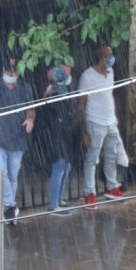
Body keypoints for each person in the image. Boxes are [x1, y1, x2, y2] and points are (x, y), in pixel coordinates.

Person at [0, 57, 36, 224]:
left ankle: (8, 211)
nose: (11, 74)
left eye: (14, 72)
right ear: (3, 69)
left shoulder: (25, 88)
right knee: (0, 174)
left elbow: (31, 109)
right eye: (9, 71)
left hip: (18, 139)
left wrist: (30, 119)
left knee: (12, 176)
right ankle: (10, 205)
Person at [78, 44, 127, 208]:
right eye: (109, 56)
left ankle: (111, 187)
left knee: (112, 155)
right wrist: (84, 131)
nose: (112, 59)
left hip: (111, 122)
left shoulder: (111, 72)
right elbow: (81, 104)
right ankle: (89, 193)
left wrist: (115, 118)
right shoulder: (87, 76)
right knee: (92, 159)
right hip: (95, 122)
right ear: (102, 58)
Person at [39, 65, 78, 216]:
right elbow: (53, 120)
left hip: (64, 136)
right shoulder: (52, 95)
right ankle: (53, 205)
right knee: (59, 167)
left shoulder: (62, 92)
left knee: (66, 167)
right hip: (56, 137)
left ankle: (59, 199)